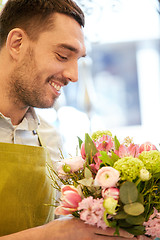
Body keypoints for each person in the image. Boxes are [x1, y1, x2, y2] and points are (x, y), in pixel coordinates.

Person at [0, 0, 151, 239]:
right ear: (17, 43)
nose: (74, 75)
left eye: (77, 60)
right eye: (62, 56)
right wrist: (51, 235)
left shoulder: (49, 137)